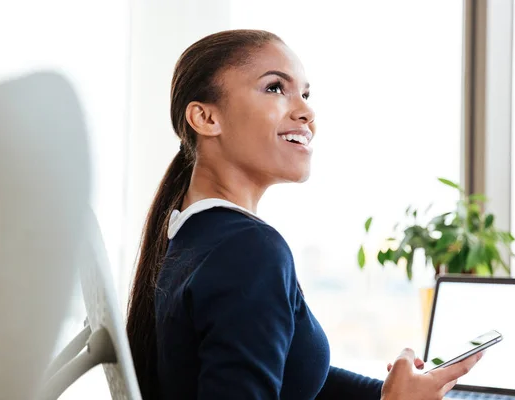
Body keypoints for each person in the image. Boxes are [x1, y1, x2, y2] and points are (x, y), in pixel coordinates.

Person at [126, 29, 482, 400]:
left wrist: (386, 394)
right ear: (205, 117)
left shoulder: (193, 236)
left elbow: (290, 369)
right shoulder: (248, 250)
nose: (306, 112)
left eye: (306, 94)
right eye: (275, 88)